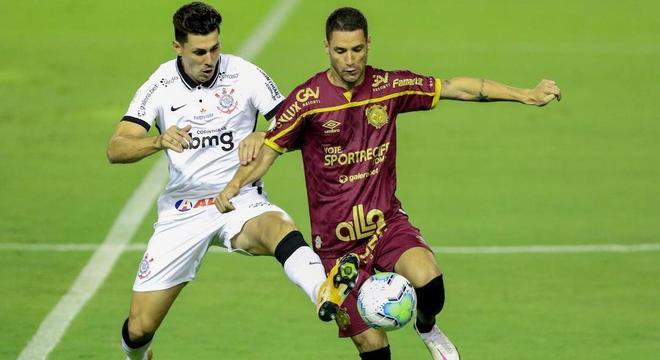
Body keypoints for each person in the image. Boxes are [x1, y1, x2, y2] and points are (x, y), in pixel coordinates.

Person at [216, 6, 561, 360]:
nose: (350, 60)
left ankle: (426, 325)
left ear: (368, 44)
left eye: (357, 49)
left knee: (431, 282)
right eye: (340, 51)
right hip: (338, 249)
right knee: (373, 345)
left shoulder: (388, 87)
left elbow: (457, 88)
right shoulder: (307, 101)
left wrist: (525, 94)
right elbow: (268, 151)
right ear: (326, 48)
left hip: (385, 226)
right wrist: (234, 186)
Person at [106, 3, 359, 359]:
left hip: (239, 198)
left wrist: (266, 135)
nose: (209, 59)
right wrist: (158, 140)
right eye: (199, 52)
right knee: (139, 328)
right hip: (183, 211)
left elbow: (295, 124)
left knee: (278, 227)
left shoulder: (245, 74)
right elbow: (116, 148)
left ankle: (324, 290)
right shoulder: (159, 85)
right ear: (177, 47)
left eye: (214, 48)